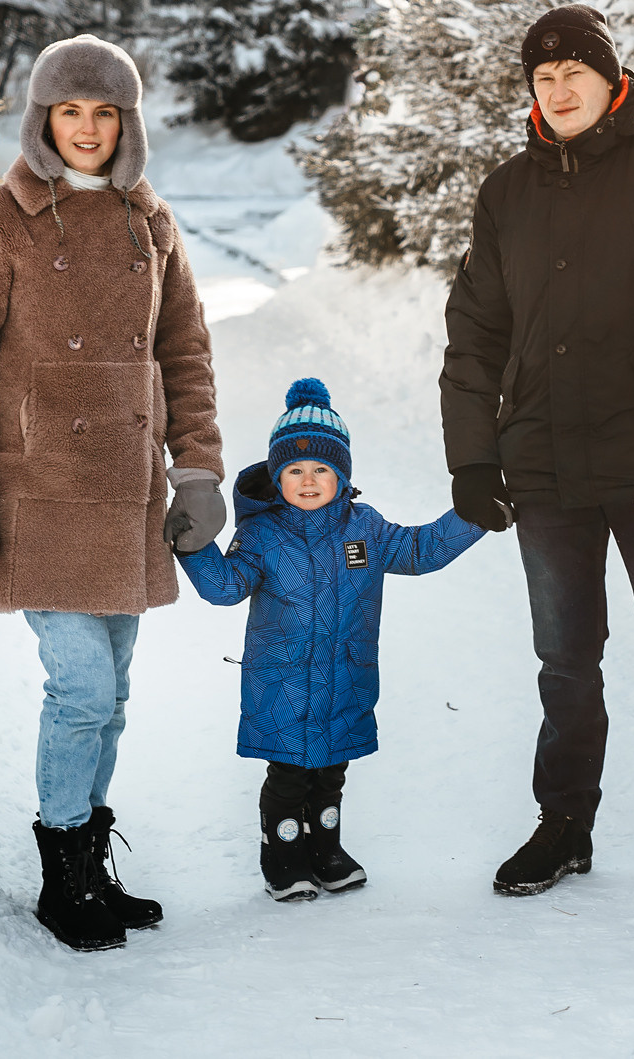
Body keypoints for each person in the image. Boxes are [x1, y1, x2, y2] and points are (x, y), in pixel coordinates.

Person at [440, 3, 634, 912]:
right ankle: (564, 827)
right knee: (565, 662)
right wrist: (473, 456)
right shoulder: (507, 192)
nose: (559, 88)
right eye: (542, 78)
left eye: (574, 71)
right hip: (544, 467)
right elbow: (476, 330)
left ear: (612, 79)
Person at [0, 33, 230, 953]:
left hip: (127, 492)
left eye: (105, 112)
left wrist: (200, 468)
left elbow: (185, 353)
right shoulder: (0, 216)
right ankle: (63, 872)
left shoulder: (151, 221)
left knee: (117, 692)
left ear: (126, 122)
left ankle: (92, 860)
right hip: (37, 492)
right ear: (43, 117)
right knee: (83, 687)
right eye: (71, 111)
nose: (88, 129)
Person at [180, 378, 482, 900]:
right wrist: (193, 545)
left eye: (322, 469)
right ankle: (283, 857)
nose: (309, 480)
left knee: (330, 774)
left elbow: (420, 550)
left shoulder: (364, 528)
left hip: (346, 675)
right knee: (290, 776)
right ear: (277, 479)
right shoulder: (263, 533)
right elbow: (226, 589)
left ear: (342, 475)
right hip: (282, 683)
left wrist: (472, 518)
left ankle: (326, 851)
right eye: (294, 470)